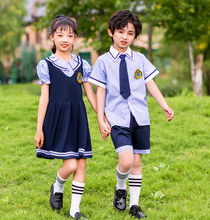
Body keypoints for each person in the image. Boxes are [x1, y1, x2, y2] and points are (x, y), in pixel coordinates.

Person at [89, 10, 174, 219]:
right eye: (120, 31)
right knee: (126, 161)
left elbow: (149, 83)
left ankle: (134, 205)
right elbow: (101, 91)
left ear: (135, 36)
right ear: (111, 32)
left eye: (130, 33)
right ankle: (120, 187)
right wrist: (101, 119)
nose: (125, 36)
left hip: (140, 117)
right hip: (117, 117)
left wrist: (163, 104)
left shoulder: (140, 59)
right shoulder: (102, 61)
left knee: (136, 162)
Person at [34, 15, 110, 220]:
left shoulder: (82, 64)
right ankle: (58, 185)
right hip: (58, 118)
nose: (65, 39)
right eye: (60, 35)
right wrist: (39, 128)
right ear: (52, 37)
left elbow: (90, 94)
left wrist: (101, 118)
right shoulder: (46, 65)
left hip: (78, 118)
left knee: (81, 162)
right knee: (70, 165)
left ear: (75, 38)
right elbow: (44, 98)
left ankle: (74, 210)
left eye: (70, 35)